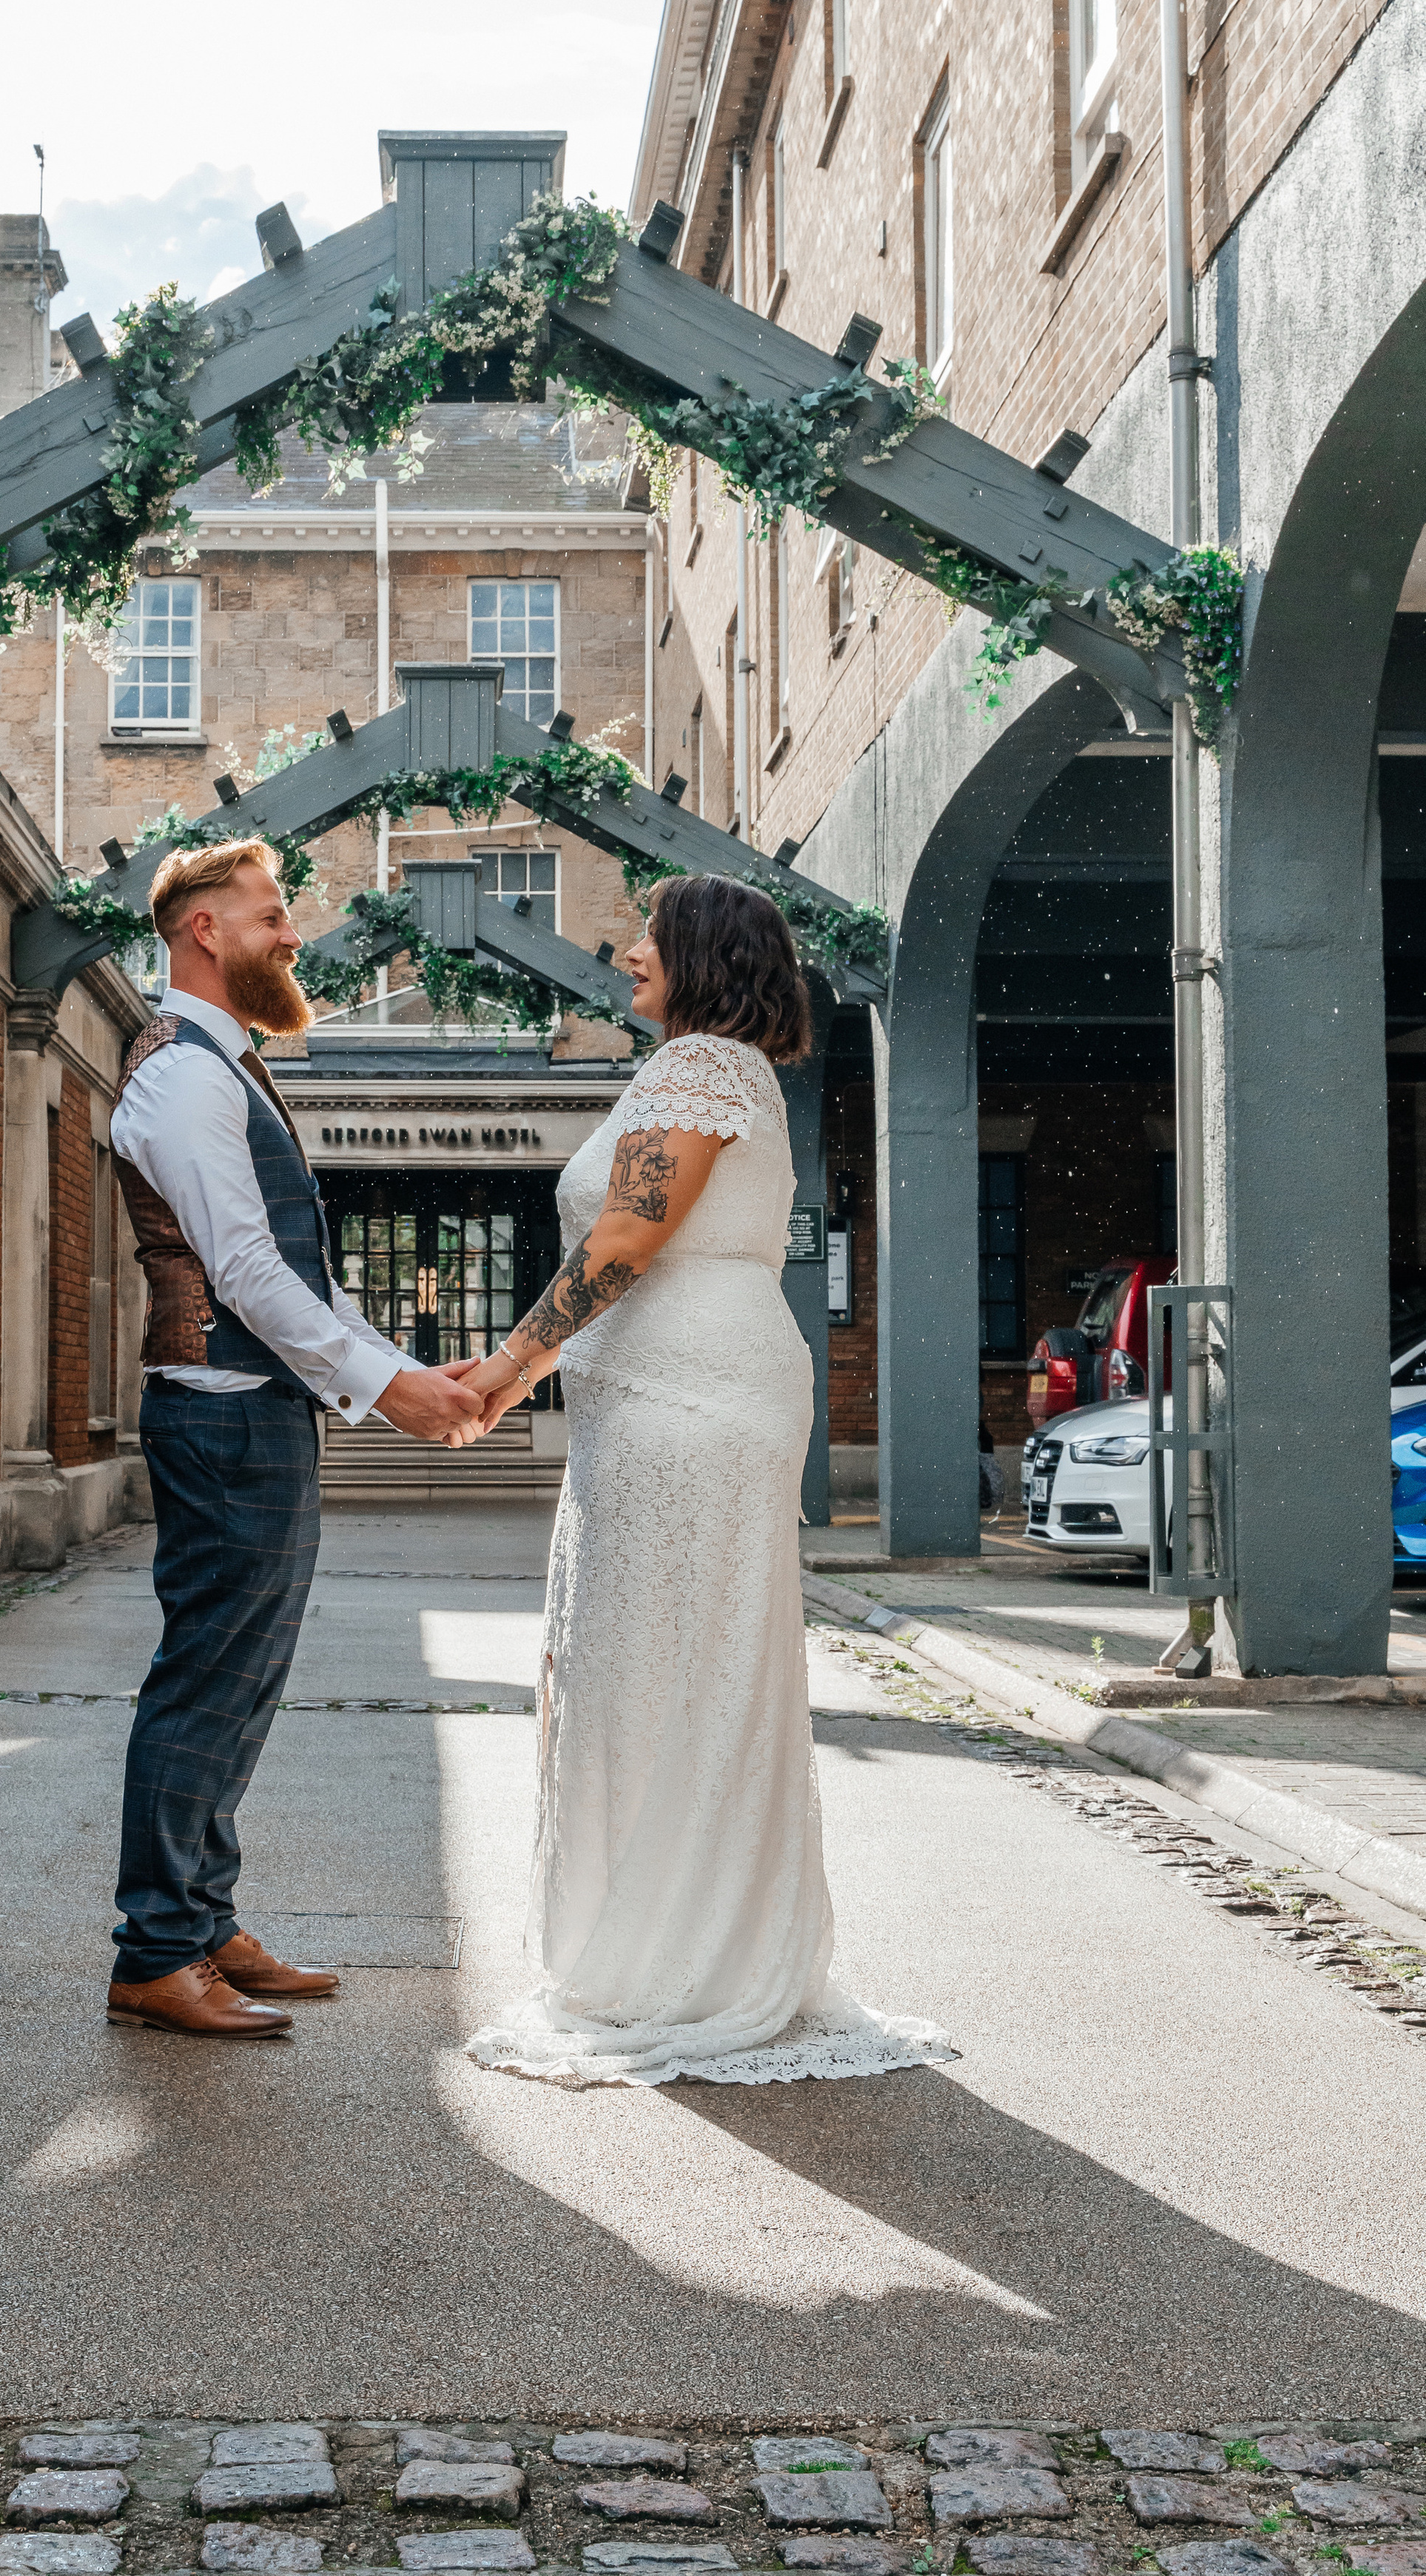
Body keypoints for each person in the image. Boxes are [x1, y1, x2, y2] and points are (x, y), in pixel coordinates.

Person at [457, 874, 951, 2087]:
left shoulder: (704, 1069)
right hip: (675, 1406)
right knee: (668, 1664)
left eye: (649, 935)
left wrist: (507, 1371)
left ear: (701, 956)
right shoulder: (711, 1070)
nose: (626, 951)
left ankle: (681, 1955)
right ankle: (682, 1939)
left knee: (667, 1665)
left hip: (693, 1409)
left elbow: (627, 1237)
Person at [105, 839, 486, 2040]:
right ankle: (157, 1952)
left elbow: (296, 1274)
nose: (290, 935)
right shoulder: (184, 1076)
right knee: (207, 1681)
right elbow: (251, 1276)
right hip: (223, 1415)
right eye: (271, 915)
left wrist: (406, 1371)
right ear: (203, 930)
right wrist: (393, 1393)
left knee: (244, 1681)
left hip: (253, 1410)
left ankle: (202, 1922)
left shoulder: (228, 1064)